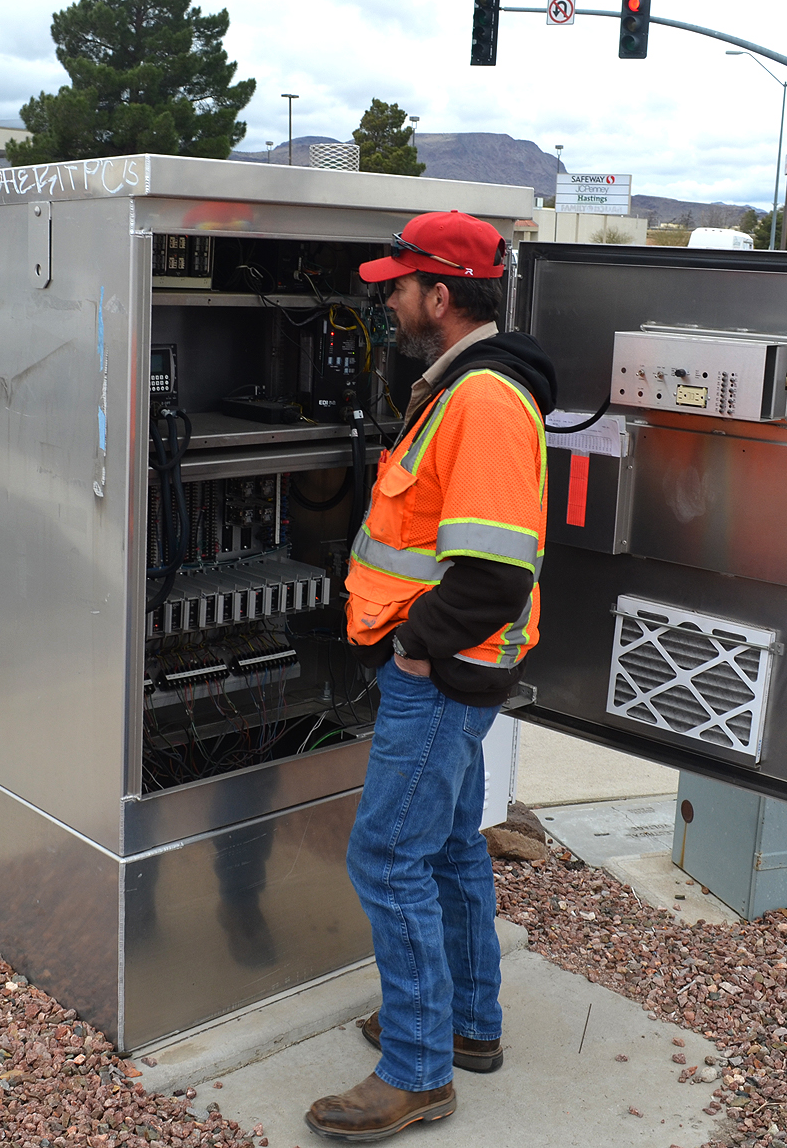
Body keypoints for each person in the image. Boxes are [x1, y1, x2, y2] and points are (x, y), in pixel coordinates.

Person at [305, 211, 556, 1142]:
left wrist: (415, 646)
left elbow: (496, 571)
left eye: (398, 286)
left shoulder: (484, 400)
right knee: (450, 845)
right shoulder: (459, 386)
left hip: (444, 673)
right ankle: (468, 1025)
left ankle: (417, 1070)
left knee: (386, 856)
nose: (388, 299)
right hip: (451, 666)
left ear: (441, 295)